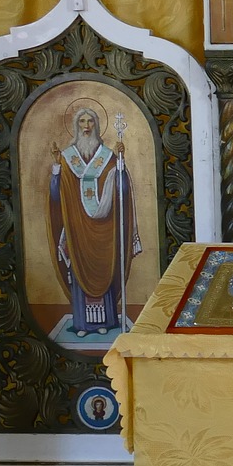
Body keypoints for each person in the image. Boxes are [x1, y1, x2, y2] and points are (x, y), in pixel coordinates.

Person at [48, 105, 141, 340]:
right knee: (79, 270)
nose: (86, 126)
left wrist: (120, 167)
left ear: (97, 126)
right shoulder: (68, 159)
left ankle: (107, 321)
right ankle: (82, 323)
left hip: (105, 230)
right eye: (82, 122)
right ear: (76, 127)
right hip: (77, 229)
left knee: (104, 268)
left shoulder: (108, 157)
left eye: (90, 122)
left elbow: (122, 191)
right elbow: (56, 196)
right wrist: (57, 169)